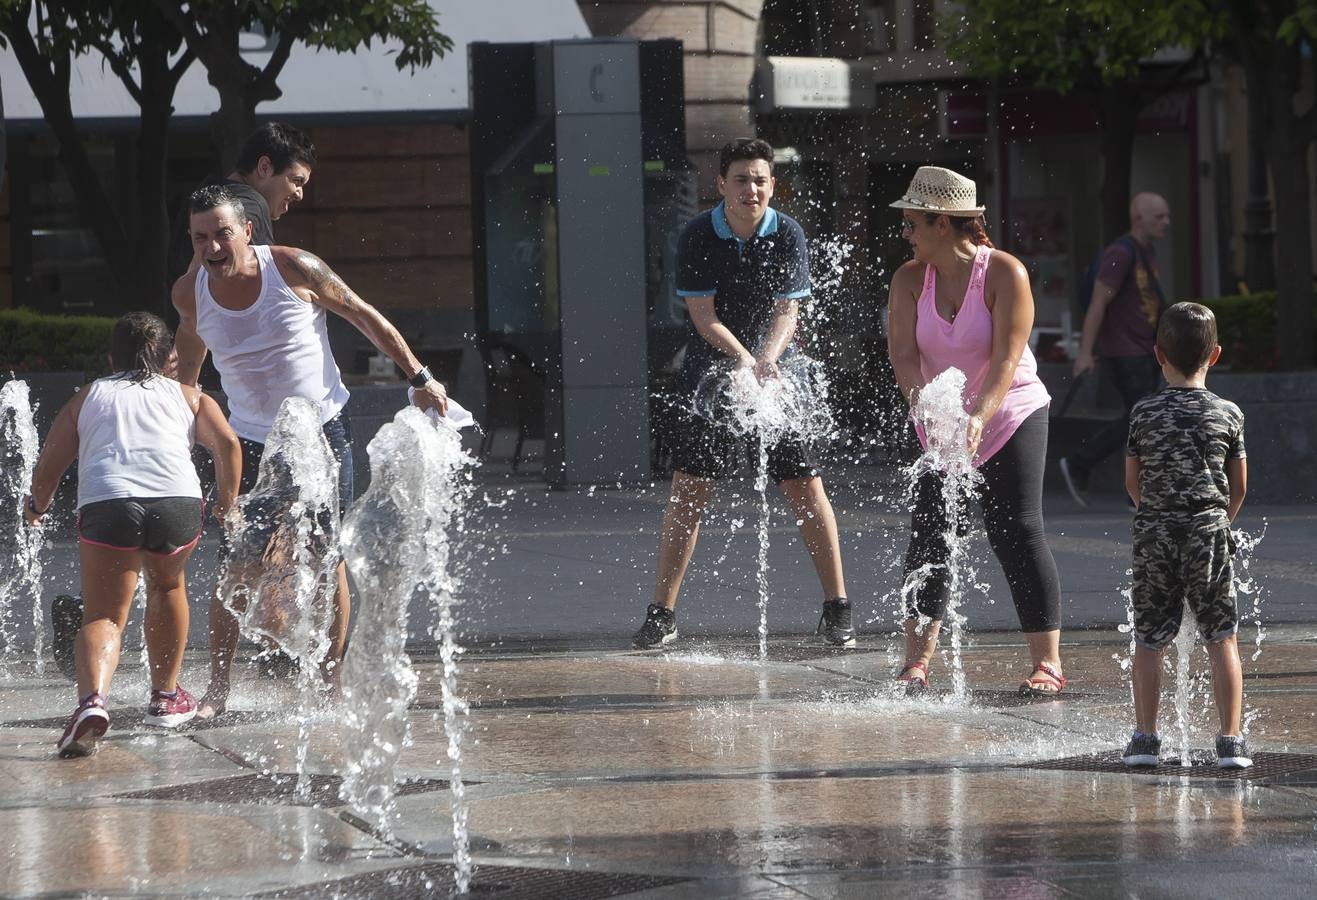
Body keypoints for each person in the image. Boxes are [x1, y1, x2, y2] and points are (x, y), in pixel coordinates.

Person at [172, 184, 448, 718]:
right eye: (200, 237)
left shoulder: (293, 267)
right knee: (238, 564)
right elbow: (188, 369)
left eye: (222, 234)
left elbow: (363, 314)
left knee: (326, 558)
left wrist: (419, 375)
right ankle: (218, 688)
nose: (212, 247)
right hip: (246, 443)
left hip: (322, 431)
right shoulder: (190, 293)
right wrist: (182, 428)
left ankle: (329, 681)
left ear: (247, 231)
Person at [631, 138, 854, 650]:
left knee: (804, 486)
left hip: (775, 367)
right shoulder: (697, 234)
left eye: (760, 180)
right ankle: (662, 613)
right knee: (689, 491)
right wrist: (745, 360)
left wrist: (768, 360)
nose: (751, 189)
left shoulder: (789, 233)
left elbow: (786, 312)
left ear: (772, 185)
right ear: (721, 185)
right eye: (741, 179)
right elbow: (703, 316)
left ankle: (837, 607)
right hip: (713, 370)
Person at [23, 313, 241, 757]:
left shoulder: (88, 396)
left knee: (104, 615)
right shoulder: (190, 396)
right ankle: (165, 698)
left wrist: (37, 506)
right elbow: (228, 445)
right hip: (176, 504)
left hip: (109, 504)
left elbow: (51, 461)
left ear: (110, 358)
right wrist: (226, 502)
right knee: (167, 586)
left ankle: (92, 703)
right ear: (169, 359)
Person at [885, 166, 1064, 696]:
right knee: (931, 534)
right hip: (939, 418)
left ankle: (1047, 662)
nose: (906, 233)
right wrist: (931, 413)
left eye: (912, 222)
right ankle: (916, 661)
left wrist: (979, 417)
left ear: (942, 222)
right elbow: (904, 360)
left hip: (1009, 411)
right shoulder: (909, 279)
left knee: (1017, 531)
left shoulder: (1005, 273)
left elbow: (1008, 359)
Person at [1121, 302, 1250, 768]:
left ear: (1158, 354)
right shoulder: (1228, 413)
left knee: (1149, 639)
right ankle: (1231, 742)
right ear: (1214, 355)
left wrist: (1157, 512)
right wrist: (1218, 517)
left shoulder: (1143, 413)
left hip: (1155, 532)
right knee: (1222, 636)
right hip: (1209, 530)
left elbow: (1131, 483)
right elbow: (1239, 486)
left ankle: (1145, 741)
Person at [1059, 192, 1170, 506]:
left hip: (1144, 351)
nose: (1166, 223)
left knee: (1142, 418)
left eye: (1166, 216)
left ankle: (1136, 488)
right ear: (1138, 218)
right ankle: (1080, 462)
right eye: (1159, 216)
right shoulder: (1120, 254)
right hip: (1125, 352)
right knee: (1142, 418)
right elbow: (1097, 304)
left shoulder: (1145, 252)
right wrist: (1084, 353)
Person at [169, 123, 317, 282]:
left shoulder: (200, 198)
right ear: (264, 167)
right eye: (297, 181)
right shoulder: (252, 205)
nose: (299, 194)